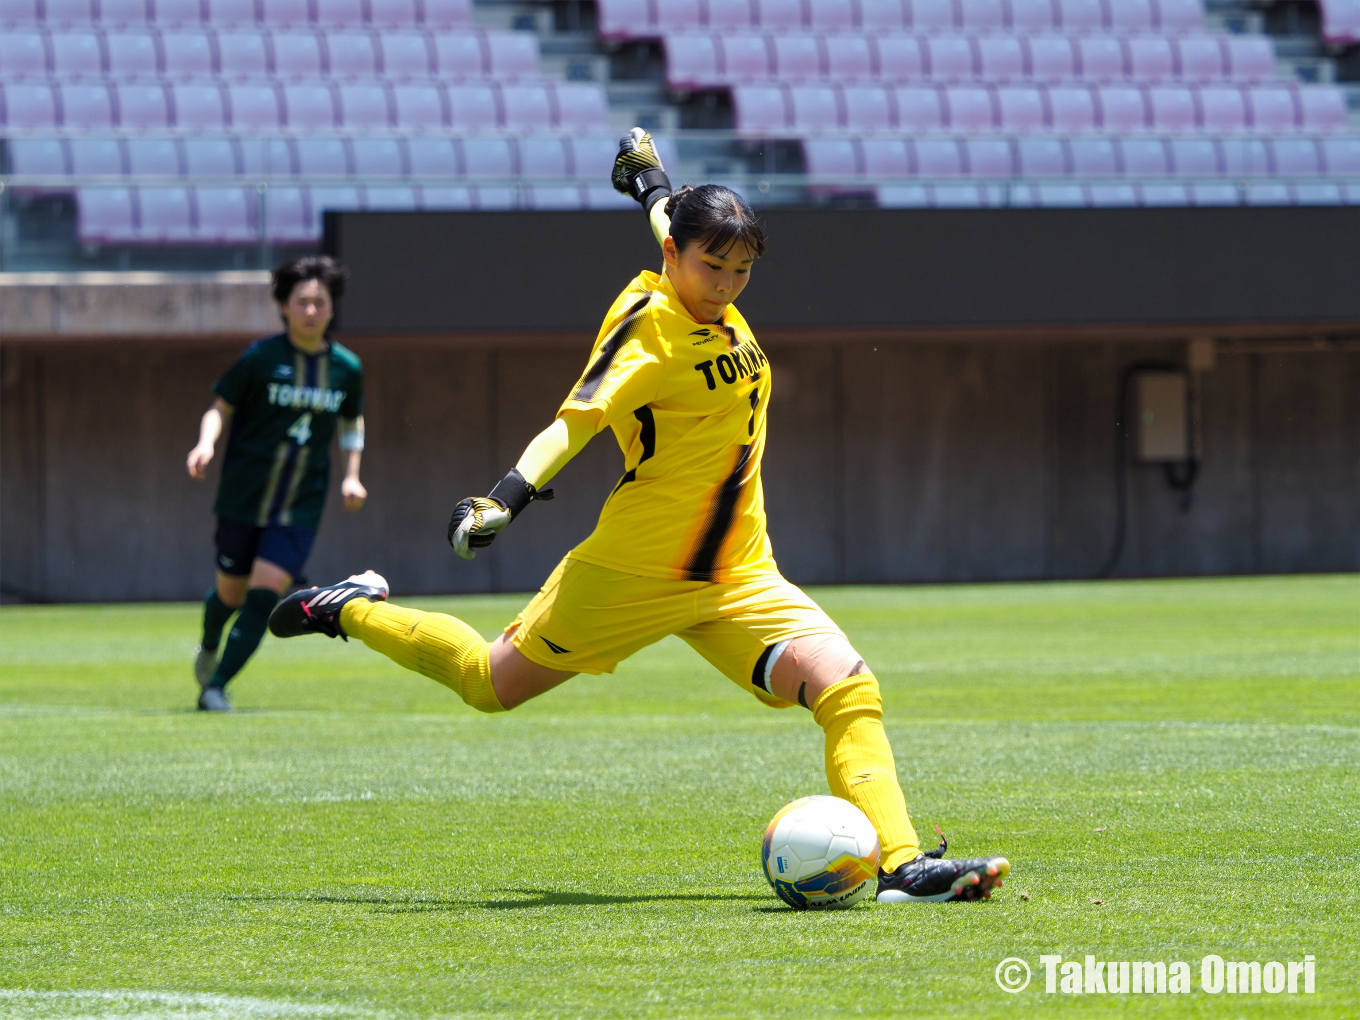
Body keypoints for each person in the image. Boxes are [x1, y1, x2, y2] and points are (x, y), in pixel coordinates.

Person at [268, 134, 1008, 903]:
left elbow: (668, 216)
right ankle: (350, 608)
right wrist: (504, 497)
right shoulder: (646, 331)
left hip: (739, 575)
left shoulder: (688, 249)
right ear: (675, 259)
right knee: (490, 683)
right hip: (632, 570)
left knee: (850, 690)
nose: (725, 284)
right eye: (711, 267)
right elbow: (575, 424)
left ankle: (902, 866)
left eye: (742, 270)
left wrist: (648, 178)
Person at [186, 255, 367, 712]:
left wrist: (352, 476)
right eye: (302, 301)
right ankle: (210, 644)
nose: (311, 310)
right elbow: (220, 406)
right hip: (244, 496)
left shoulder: (346, 368)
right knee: (228, 595)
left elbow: (352, 423)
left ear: (332, 308)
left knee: (264, 592)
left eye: (320, 302)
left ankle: (216, 687)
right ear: (284, 306)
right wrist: (205, 444)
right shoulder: (261, 358)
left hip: (300, 504)